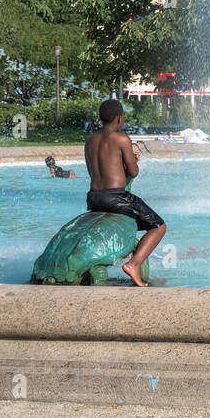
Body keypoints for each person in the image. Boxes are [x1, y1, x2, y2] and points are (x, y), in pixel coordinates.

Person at [84, 99, 165, 287]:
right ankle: (133, 264)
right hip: (116, 197)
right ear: (119, 119)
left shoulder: (90, 141)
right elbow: (133, 172)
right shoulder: (122, 139)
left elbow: (95, 172)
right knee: (159, 226)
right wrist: (134, 161)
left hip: (94, 197)